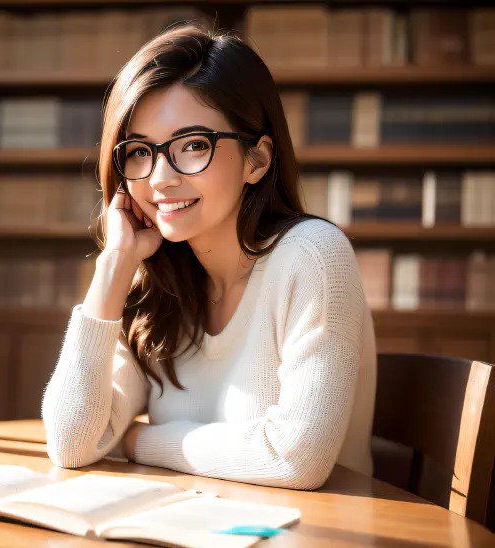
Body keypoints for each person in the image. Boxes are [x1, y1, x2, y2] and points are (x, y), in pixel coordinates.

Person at [41, 23, 376, 491]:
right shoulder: (158, 289)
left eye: (193, 145)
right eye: (139, 151)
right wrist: (113, 266)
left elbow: (295, 460)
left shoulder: (312, 256)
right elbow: (72, 442)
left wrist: (139, 442)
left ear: (256, 161)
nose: (159, 178)